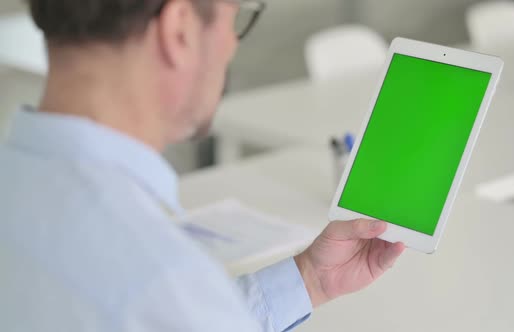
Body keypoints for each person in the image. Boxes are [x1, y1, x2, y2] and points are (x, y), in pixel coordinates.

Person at [0, 0, 405, 331]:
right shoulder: (159, 282)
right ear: (180, 30)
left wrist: (310, 281)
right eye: (235, 20)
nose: (231, 45)